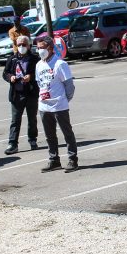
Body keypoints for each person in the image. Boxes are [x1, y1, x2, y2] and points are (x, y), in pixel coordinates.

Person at [35, 36, 78, 172]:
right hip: (44, 105)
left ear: (50, 48)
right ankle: (54, 160)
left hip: (59, 105)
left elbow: (69, 86)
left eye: (42, 47)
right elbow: (39, 83)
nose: (40, 50)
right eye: (38, 48)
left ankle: (72, 159)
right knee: (49, 135)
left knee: (67, 133)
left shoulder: (60, 64)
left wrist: (64, 99)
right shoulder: (39, 65)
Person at [3, 35, 39, 155]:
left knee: (32, 119)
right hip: (17, 93)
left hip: (31, 93)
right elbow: (5, 73)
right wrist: (10, 77)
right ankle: (13, 143)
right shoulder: (12, 59)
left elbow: (39, 72)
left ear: (29, 45)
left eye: (24, 44)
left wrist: (31, 77)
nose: (21, 47)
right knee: (15, 120)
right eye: (19, 45)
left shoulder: (34, 59)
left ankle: (32, 139)